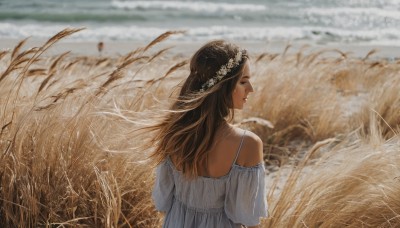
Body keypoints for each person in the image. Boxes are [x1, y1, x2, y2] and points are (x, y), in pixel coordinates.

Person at [151, 40, 267, 227]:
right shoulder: (248, 144)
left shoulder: (174, 132)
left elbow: (163, 201)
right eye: (243, 81)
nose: (251, 89)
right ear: (223, 86)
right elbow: (246, 216)